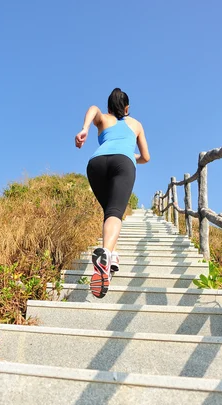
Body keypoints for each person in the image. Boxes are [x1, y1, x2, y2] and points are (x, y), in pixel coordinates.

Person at [75, 88, 150, 298]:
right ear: (127, 108)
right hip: (122, 163)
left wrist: (85, 129)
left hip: (96, 163)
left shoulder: (104, 119)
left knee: (109, 210)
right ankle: (106, 255)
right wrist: (128, 154)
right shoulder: (136, 124)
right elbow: (146, 157)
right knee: (115, 213)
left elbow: (93, 108)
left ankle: (112, 254)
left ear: (109, 107)